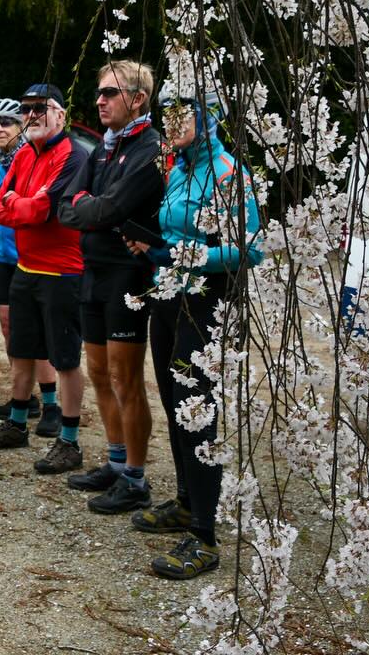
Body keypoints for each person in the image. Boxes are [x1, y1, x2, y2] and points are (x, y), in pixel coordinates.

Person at [127, 88, 260, 579]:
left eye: (184, 111)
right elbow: (178, 232)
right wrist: (152, 244)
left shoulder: (229, 173)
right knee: (172, 401)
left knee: (197, 411)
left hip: (207, 302)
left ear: (211, 118)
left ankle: (204, 535)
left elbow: (251, 250)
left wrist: (179, 257)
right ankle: (186, 502)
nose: (173, 120)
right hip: (168, 296)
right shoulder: (179, 168)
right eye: (168, 112)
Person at [58, 60, 166, 514]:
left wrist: (94, 208)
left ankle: (136, 479)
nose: (99, 100)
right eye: (98, 93)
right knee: (99, 374)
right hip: (93, 269)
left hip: (128, 274)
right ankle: (117, 461)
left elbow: (106, 210)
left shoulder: (150, 148)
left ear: (138, 99)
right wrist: (93, 207)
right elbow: (67, 206)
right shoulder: (101, 149)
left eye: (109, 93)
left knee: (125, 379)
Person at [0, 85, 89, 475]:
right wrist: (18, 204)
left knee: (64, 358)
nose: (32, 114)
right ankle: (17, 422)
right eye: (26, 108)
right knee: (21, 350)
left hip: (63, 272)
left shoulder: (73, 155)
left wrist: (18, 203)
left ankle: (70, 440)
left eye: (42, 108)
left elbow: (44, 210)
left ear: (62, 114)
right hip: (26, 267)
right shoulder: (25, 153)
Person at [0, 97, 48, 431]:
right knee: (9, 326)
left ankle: (48, 399)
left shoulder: (31, 158)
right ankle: (23, 395)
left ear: (20, 125)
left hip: (30, 256)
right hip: (2, 255)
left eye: (6, 122)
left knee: (35, 327)